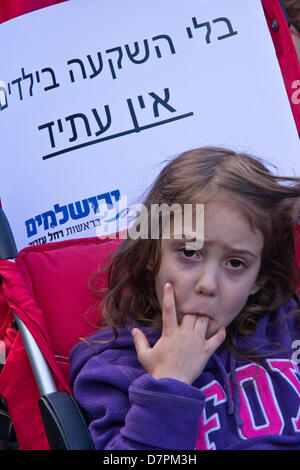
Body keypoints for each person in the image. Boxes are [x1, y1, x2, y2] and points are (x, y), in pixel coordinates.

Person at [69, 147, 300, 450]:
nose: (207, 284)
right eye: (189, 253)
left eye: (235, 263)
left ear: (258, 279)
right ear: (152, 253)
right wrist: (169, 383)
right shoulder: (113, 370)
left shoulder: (287, 327)